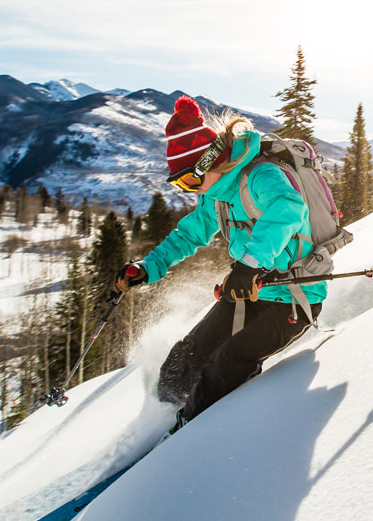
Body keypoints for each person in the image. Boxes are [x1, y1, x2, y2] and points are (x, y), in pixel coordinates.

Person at [113, 96, 325, 432]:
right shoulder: (215, 196)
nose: (189, 190)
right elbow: (189, 235)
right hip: (248, 291)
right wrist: (148, 267)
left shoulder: (260, 176)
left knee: (226, 363)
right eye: (180, 184)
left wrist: (250, 264)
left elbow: (288, 208)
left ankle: (190, 434)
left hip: (294, 297)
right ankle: (159, 421)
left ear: (209, 162)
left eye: (188, 180)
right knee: (182, 362)